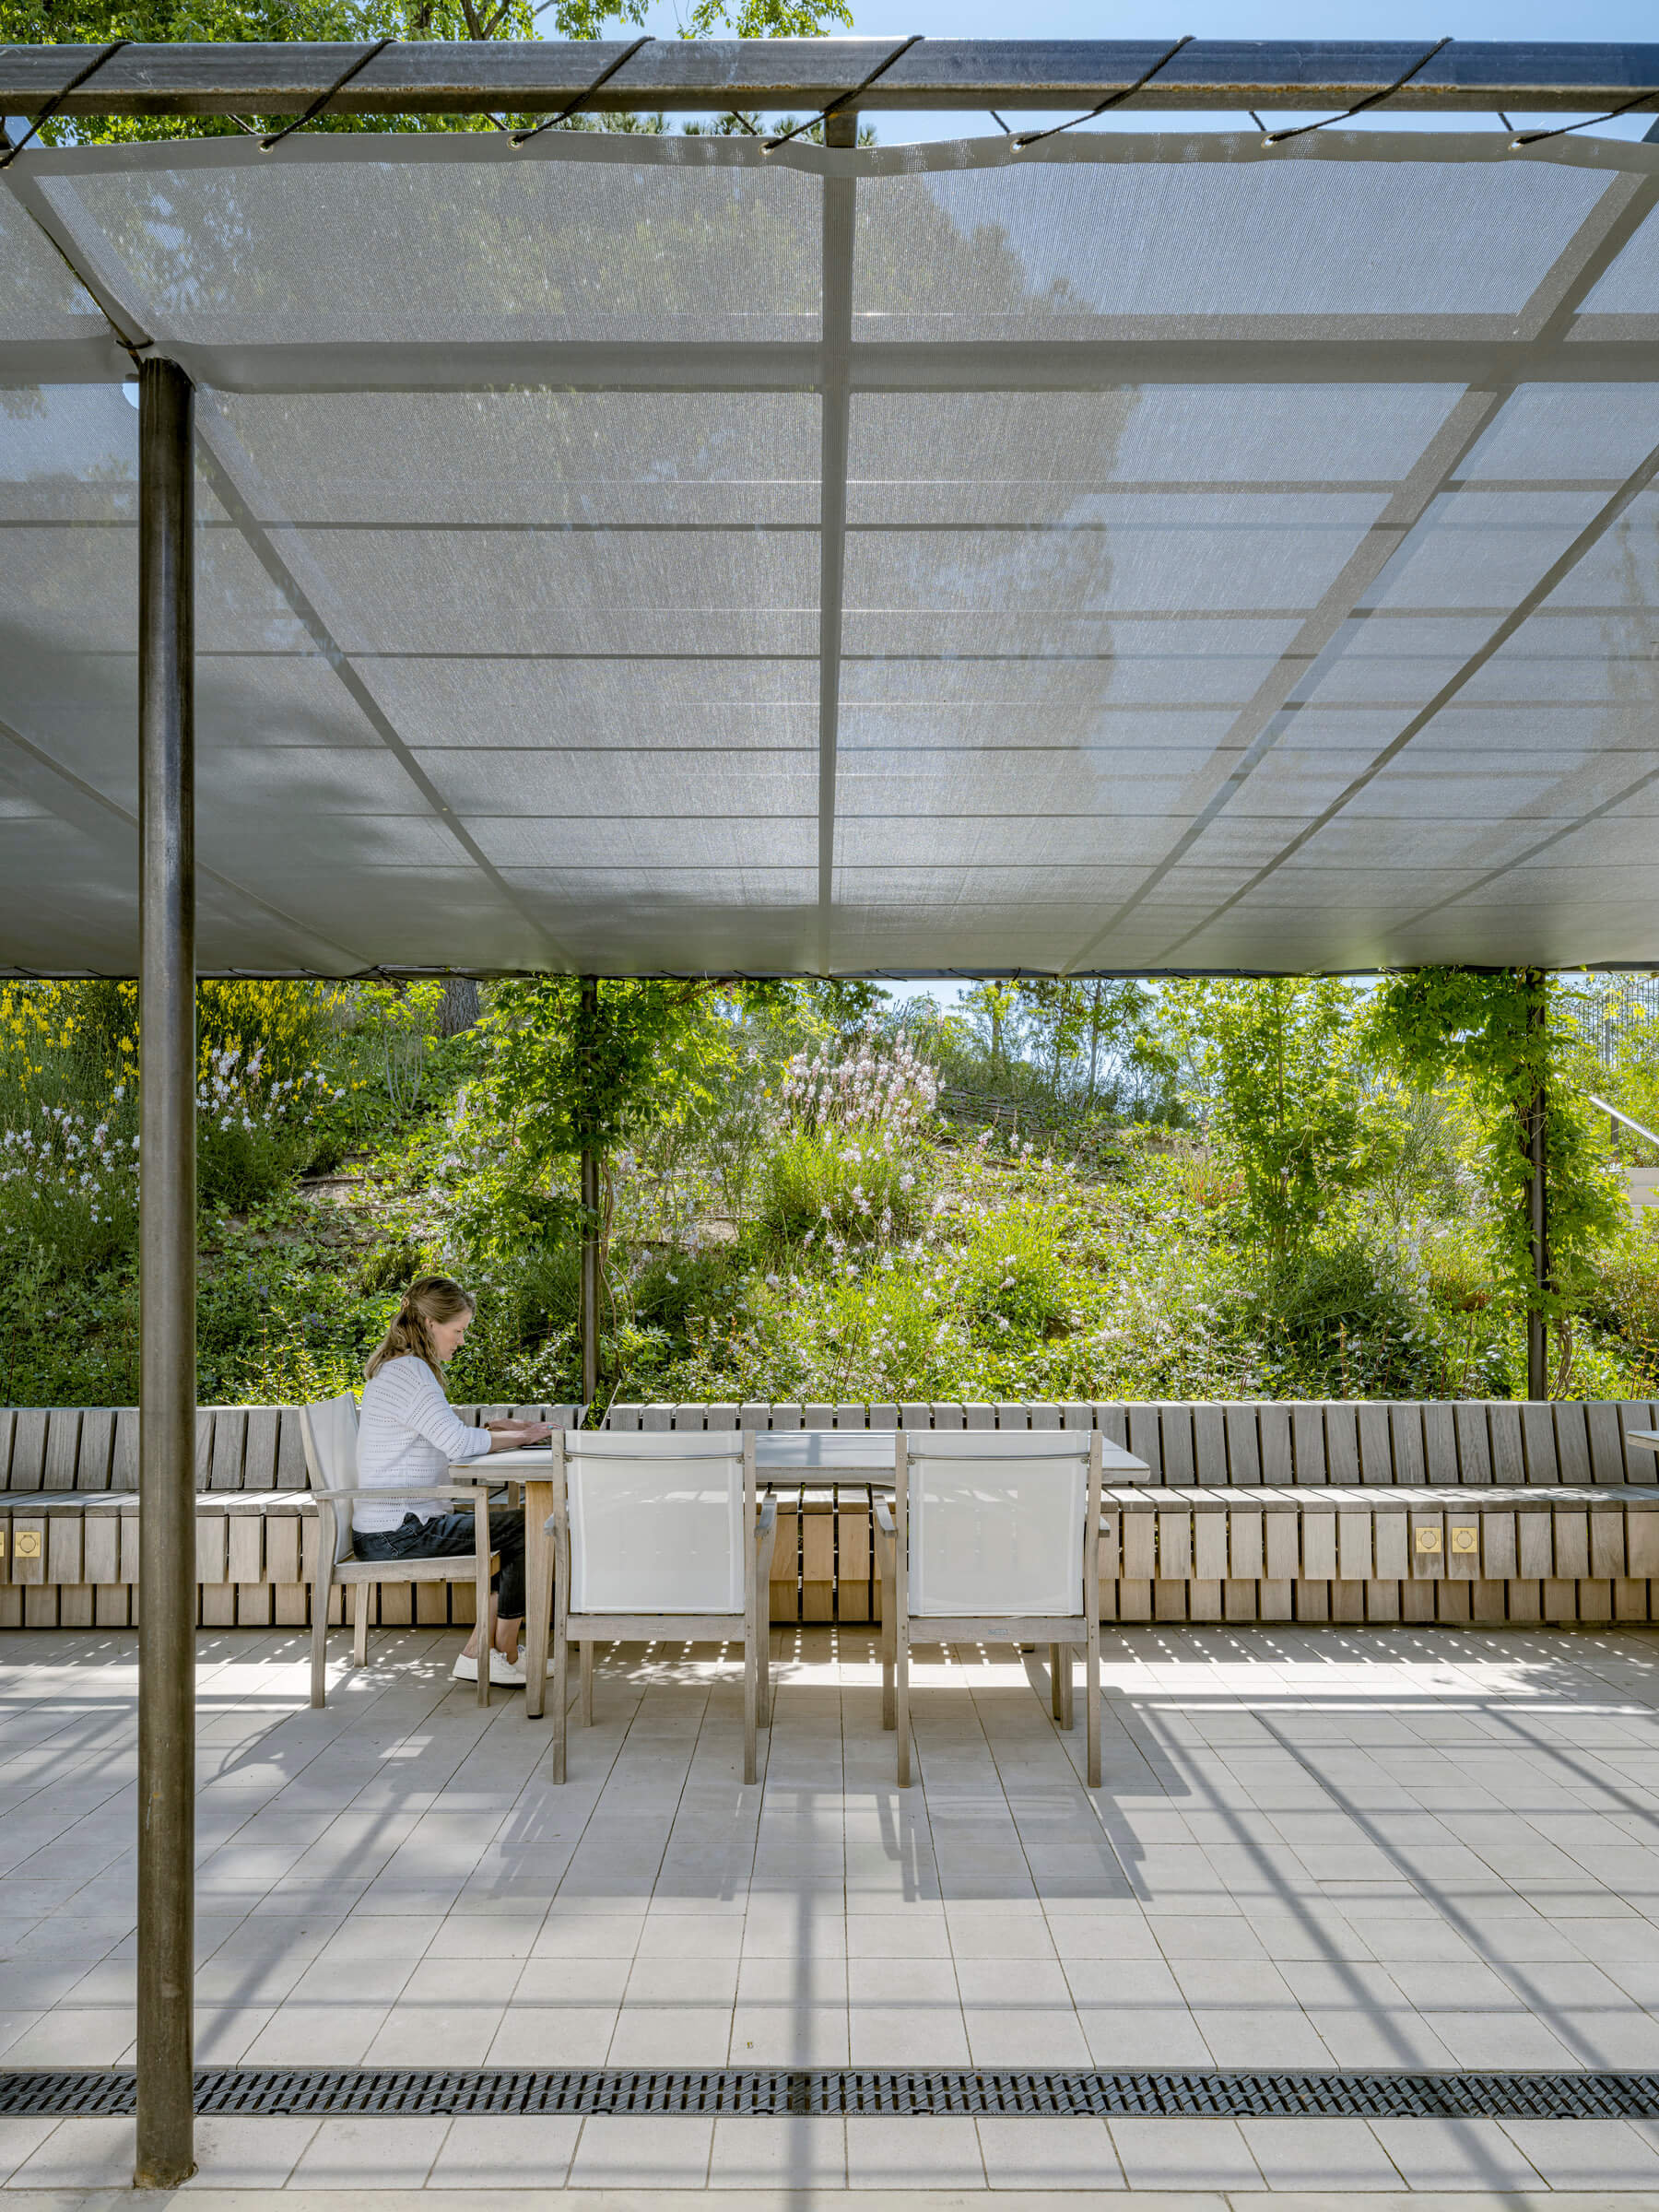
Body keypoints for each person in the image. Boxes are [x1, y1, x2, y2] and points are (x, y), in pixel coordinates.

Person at [354, 1275, 549, 1686]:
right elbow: (458, 1444)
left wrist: (503, 1430)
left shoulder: (401, 1370)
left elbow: (443, 1436)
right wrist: (524, 1436)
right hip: (399, 1531)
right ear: (430, 1325)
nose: (461, 1341)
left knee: (516, 1528)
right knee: (529, 1529)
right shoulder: (410, 1373)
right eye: (457, 1330)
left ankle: (487, 1651)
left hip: (393, 1525)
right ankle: (502, 1653)